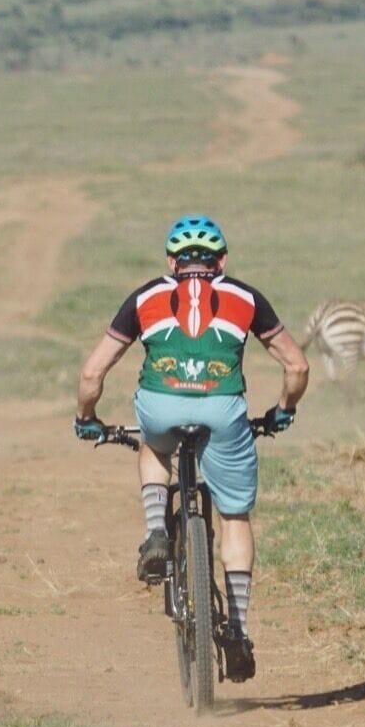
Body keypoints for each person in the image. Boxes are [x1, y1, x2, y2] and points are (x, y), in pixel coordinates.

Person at [74, 215, 309, 682]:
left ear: (170, 261)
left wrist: (86, 419)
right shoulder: (246, 297)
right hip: (224, 411)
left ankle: (156, 532)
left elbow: (91, 374)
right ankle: (238, 631)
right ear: (222, 261)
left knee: (153, 447)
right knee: (235, 518)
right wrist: (283, 409)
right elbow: (297, 366)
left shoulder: (145, 297)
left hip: (161, 408)